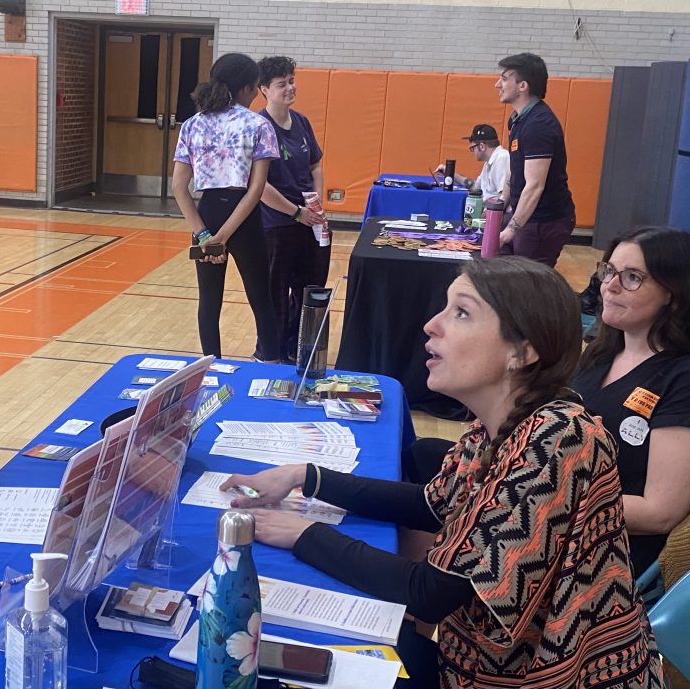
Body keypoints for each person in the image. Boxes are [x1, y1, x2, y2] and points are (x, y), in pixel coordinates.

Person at [222, 257, 663, 688]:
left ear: (522, 351)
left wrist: (301, 534)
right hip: (481, 658)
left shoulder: (560, 438)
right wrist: (305, 475)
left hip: (539, 675)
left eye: (462, 312)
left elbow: (432, 592)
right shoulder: (502, 423)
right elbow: (431, 503)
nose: (431, 324)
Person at [572, 226, 690, 578]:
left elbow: (659, 512)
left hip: (608, 556)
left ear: (672, 293)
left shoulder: (681, 378)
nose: (610, 286)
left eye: (633, 277)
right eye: (609, 271)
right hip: (561, 524)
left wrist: (552, 502)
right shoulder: (603, 350)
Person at [172, 53, 281, 361]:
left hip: (206, 214)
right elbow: (256, 188)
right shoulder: (259, 124)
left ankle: (210, 366)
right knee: (261, 298)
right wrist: (225, 235)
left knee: (208, 302)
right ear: (248, 88)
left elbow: (179, 187)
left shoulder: (192, 124)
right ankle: (269, 365)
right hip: (243, 218)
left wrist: (205, 235)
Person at [255, 56, 331, 363]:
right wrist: (295, 212)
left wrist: (316, 205)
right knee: (276, 294)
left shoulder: (301, 122)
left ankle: (298, 348)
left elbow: (315, 165)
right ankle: (269, 353)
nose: (290, 87)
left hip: (310, 222)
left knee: (309, 290)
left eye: (292, 80)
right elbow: (258, 185)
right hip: (277, 224)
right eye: (281, 83)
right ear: (263, 89)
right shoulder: (259, 127)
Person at [495, 53, 576, 267]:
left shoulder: (538, 125)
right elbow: (514, 169)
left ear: (523, 86)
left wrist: (512, 228)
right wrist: (502, 203)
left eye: (504, 79)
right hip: (527, 219)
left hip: (544, 222)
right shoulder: (518, 120)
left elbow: (535, 185)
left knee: (528, 287)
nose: (497, 84)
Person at [436, 123, 509, 201]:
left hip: (494, 212)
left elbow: (503, 198)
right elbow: (474, 187)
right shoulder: (489, 162)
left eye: (473, 148)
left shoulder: (502, 159)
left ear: (482, 147)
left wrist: (483, 212)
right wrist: (449, 172)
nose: (473, 151)